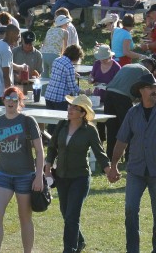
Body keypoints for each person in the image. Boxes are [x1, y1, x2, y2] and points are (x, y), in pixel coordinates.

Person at [108, 73, 156, 253]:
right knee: (130, 211)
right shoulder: (132, 113)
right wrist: (114, 164)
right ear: (141, 91)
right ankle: (132, 250)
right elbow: (122, 140)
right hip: (136, 171)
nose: (154, 91)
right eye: (150, 88)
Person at [44, 94, 112, 253]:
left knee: (72, 216)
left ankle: (69, 249)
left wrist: (109, 170)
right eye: (70, 106)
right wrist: (47, 168)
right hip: (61, 177)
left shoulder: (90, 131)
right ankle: (79, 241)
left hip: (80, 179)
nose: (70, 109)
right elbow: (52, 147)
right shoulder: (61, 125)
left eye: (75, 107)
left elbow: (99, 153)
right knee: (66, 214)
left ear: (83, 113)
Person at [0, 87, 44, 253]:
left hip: (25, 175)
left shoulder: (27, 121)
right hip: (3, 174)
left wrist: (38, 176)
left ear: (19, 102)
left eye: (14, 98)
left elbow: (39, 150)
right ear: (3, 100)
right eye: (7, 97)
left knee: (24, 217)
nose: (10, 101)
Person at [0, 25, 27, 105]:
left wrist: (21, 67)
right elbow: (6, 75)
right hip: (1, 92)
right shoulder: (6, 50)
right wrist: (9, 94)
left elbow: (5, 63)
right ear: (11, 34)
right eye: (18, 34)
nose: (19, 37)